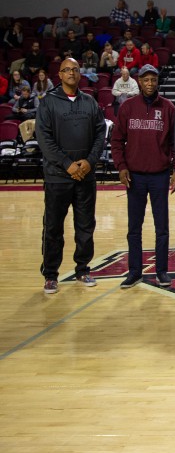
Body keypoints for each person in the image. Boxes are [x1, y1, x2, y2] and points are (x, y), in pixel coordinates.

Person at [36, 58, 106, 294]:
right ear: (60, 74)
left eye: (75, 69)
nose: (71, 73)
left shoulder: (89, 102)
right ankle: (51, 274)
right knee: (54, 227)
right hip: (58, 176)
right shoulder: (48, 103)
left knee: (85, 226)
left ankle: (83, 269)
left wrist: (89, 161)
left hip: (85, 175)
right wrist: (67, 164)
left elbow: (100, 133)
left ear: (80, 74)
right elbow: (44, 139)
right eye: (67, 70)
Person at [110, 64, 175, 288]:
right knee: (134, 228)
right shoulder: (128, 107)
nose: (149, 84)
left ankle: (162, 271)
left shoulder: (168, 108)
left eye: (153, 80)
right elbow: (116, 140)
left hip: (159, 175)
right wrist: (121, 167)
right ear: (139, 81)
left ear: (158, 82)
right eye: (145, 80)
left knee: (162, 227)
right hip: (135, 176)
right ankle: (135, 271)